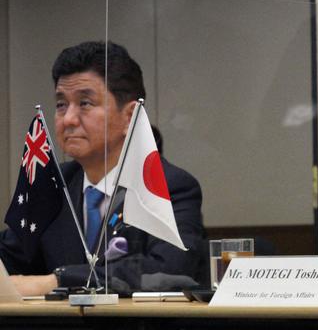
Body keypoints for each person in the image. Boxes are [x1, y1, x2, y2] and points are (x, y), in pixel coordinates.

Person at [0, 41, 204, 295]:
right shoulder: (54, 184)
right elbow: (8, 258)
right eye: (61, 104)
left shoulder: (169, 186)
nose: (69, 119)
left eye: (85, 103)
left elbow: (169, 270)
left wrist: (58, 281)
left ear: (130, 116)